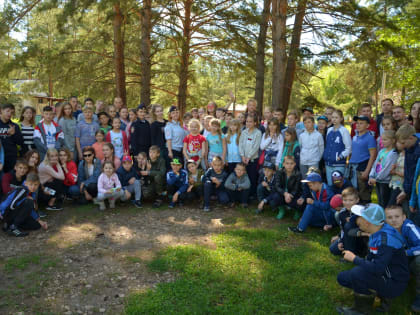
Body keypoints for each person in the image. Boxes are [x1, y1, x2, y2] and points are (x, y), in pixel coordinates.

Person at [336, 204, 409, 314]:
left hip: (394, 283)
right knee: (343, 278)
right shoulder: (377, 231)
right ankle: (374, 292)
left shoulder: (386, 241)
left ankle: (361, 310)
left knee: (357, 273)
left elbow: (378, 268)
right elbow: (373, 259)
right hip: (383, 274)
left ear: (367, 222)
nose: (355, 219)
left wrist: (354, 258)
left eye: (358, 217)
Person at [385, 205, 420, 312]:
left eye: (397, 216)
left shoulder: (409, 227)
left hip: (414, 254)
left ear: (404, 217)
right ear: (385, 220)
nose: (394, 220)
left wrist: (405, 253)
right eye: (390, 217)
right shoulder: (386, 230)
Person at [348, 115, 377, 204]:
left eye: (361, 123)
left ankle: (366, 213)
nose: (358, 125)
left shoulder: (370, 138)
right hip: (353, 167)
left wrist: (367, 171)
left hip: (363, 167)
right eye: (357, 123)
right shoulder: (354, 137)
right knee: (354, 193)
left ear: (367, 125)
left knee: (364, 194)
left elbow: (373, 156)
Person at [368, 130, 398, 208]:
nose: (382, 141)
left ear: (393, 140)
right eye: (382, 139)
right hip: (377, 180)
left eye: (385, 139)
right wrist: (371, 176)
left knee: (385, 203)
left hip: (385, 182)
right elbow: (375, 164)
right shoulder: (382, 151)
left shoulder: (393, 153)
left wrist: (377, 178)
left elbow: (387, 169)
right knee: (380, 202)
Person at [329, 188, 362, 257]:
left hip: (360, 238)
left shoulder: (361, 212)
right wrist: (340, 241)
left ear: (357, 200)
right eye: (345, 200)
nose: (347, 203)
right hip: (347, 238)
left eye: (351, 200)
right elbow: (343, 230)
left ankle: (350, 253)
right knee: (333, 249)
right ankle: (348, 248)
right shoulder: (342, 213)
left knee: (349, 225)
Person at [323, 109, 351, 185]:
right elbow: (328, 145)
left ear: (341, 118)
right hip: (328, 164)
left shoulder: (344, 131)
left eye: (336, 117)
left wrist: (340, 156)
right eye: (333, 117)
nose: (334, 119)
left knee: (338, 185)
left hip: (338, 164)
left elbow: (349, 148)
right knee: (330, 185)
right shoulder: (329, 130)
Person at [397, 124, 420, 213]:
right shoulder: (408, 148)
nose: (402, 146)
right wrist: (405, 190)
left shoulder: (417, 152)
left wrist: (407, 191)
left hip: (415, 189)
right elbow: (408, 171)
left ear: (411, 138)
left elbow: (414, 174)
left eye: (403, 143)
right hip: (409, 188)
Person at [239, 114, 262, 198]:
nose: (248, 123)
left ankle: (251, 195)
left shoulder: (258, 133)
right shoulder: (244, 131)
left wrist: (248, 157)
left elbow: (256, 146)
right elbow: (240, 144)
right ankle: (243, 194)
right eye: (247, 121)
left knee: (252, 177)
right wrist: (242, 156)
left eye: (250, 122)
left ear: (255, 123)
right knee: (244, 176)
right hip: (243, 159)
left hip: (252, 159)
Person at [274, 156, 303, 220]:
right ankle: (282, 210)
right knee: (276, 196)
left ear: (295, 164)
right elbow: (277, 186)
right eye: (287, 163)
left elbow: (296, 188)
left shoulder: (298, 174)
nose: (289, 166)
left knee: (299, 201)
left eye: (291, 163)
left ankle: (297, 211)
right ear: (283, 164)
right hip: (283, 193)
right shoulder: (279, 172)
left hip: (293, 194)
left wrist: (290, 195)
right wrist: (285, 194)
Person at [0, 103, 23, 173]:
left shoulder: (14, 126)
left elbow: (20, 142)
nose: (9, 114)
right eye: (8, 111)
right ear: (1, 110)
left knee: (9, 179)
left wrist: (14, 134)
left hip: (11, 158)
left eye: (12, 112)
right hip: (0, 158)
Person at [388, 139, 405, 208]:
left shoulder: (408, 157)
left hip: (400, 185)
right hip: (394, 183)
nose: (396, 144)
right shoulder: (400, 154)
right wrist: (394, 167)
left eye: (398, 142)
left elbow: (406, 174)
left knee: (392, 205)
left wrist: (395, 172)